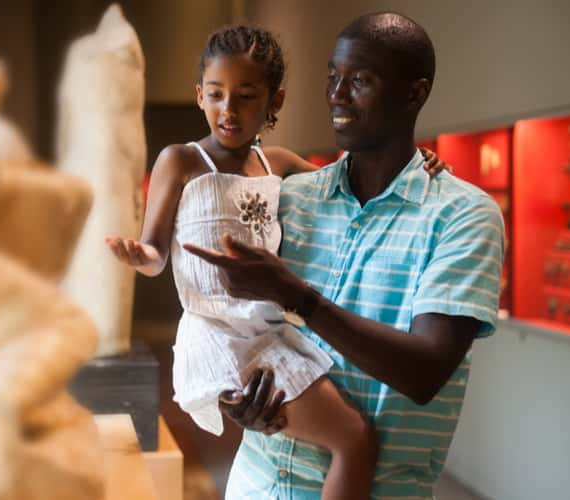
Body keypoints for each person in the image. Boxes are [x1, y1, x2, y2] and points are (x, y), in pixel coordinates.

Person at [107, 25, 447, 500]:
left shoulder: (279, 164)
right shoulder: (181, 161)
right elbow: (156, 254)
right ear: (198, 95)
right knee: (354, 440)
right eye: (217, 94)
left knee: (348, 441)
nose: (229, 109)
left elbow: (349, 180)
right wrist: (138, 255)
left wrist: (419, 162)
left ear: (275, 102)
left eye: (246, 96)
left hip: (267, 334)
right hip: (220, 338)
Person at [185, 13, 504, 499]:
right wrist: (236, 397)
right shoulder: (292, 196)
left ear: (414, 94)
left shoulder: (464, 216)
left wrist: (299, 298)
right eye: (332, 78)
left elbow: (424, 372)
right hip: (256, 483)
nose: (336, 94)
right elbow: (240, 320)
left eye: (359, 81)